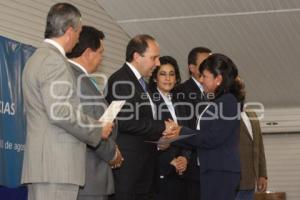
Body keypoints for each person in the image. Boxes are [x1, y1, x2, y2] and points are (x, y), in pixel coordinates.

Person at [21, 3, 113, 200]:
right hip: (58, 167)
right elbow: (60, 112)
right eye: (79, 32)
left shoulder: (37, 58)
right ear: (70, 31)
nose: (79, 38)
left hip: (47, 167)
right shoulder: (54, 61)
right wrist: (98, 128)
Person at [105, 34, 176, 200]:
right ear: (137, 56)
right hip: (128, 169)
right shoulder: (121, 80)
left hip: (144, 169)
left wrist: (160, 142)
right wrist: (162, 127)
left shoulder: (144, 85)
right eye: (154, 58)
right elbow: (123, 121)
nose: (157, 63)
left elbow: (143, 122)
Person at [173, 53, 245, 200]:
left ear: (218, 79)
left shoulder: (228, 101)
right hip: (214, 169)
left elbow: (212, 138)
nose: (201, 80)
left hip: (221, 171)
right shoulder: (219, 101)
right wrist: (176, 134)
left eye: (204, 76)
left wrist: (181, 132)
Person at [67, 25, 124, 200]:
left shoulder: (81, 79)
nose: (101, 58)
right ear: (89, 53)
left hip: (90, 177)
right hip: (88, 177)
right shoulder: (76, 79)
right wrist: (112, 152)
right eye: (100, 53)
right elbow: (87, 127)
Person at [172, 46, 211, 200]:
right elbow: (184, 126)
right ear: (192, 68)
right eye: (204, 63)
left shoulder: (215, 91)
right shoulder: (180, 91)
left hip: (210, 164)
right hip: (191, 164)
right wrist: (185, 157)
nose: (208, 67)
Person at [148, 56, 189, 200]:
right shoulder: (148, 101)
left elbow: (187, 134)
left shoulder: (181, 103)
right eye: (163, 74)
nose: (168, 78)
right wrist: (169, 160)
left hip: (181, 174)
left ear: (177, 78)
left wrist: (184, 158)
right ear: (155, 78)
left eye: (172, 74)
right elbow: (145, 137)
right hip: (158, 171)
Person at [235, 107, 268, 200]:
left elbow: (259, 146)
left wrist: (262, 174)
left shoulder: (253, 114)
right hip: (231, 181)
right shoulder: (224, 114)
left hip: (250, 181)